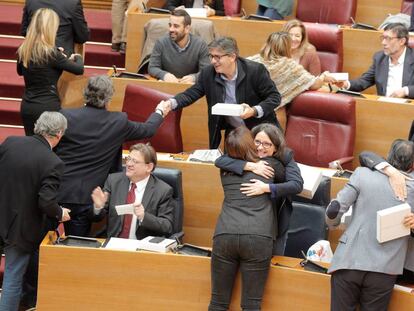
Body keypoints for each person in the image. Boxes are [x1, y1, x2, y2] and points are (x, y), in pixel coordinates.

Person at [55, 75, 170, 237]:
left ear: (85, 93)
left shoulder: (65, 116)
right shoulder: (118, 122)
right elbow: (148, 129)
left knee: (43, 244)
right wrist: (159, 112)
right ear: (109, 98)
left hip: (58, 191)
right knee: (76, 246)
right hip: (89, 197)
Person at [326, 139, 414, 311]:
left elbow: (335, 212)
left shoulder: (362, 174)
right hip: (385, 268)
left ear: (387, 157)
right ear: (412, 165)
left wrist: (332, 223)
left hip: (349, 260)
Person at [0, 112, 71, 311]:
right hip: (20, 229)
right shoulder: (53, 162)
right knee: (12, 279)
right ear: (58, 134)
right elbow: (46, 202)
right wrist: (60, 213)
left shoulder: (10, 142)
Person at [209, 126, 285, 310]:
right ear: (251, 145)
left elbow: (220, 160)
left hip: (225, 234)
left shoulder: (225, 169)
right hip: (258, 237)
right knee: (251, 305)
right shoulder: (271, 166)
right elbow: (288, 176)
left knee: (218, 303)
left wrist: (246, 164)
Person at [163, 36, 281, 149]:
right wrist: (171, 103)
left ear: (232, 57)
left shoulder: (255, 71)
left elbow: (275, 97)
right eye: (211, 56)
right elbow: (190, 94)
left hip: (262, 132)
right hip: (236, 135)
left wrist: (254, 110)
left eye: (217, 57)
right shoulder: (208, 73)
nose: (213, 61)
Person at [215, 123, 303, 255]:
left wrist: (266, 187)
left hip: (277, 211)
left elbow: (296, 185)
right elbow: (220, 161)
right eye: (257, 142)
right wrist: (250, 165)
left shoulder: (285, 156)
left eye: (267, 144)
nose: (260, 147)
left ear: (276, 147)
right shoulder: (248, 152)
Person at [17, 8, 84, 136]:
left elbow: (20, 71)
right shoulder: (52, 54)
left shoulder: (23, 50)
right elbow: (79, 69)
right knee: (48, 149)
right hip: (48, 107)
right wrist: (77, 57)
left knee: (32, 145)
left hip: (28, 106)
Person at [90, 144, 174, 239]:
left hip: (142, 247)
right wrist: (98, 207)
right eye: (128, 159)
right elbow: (96, 218)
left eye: (134, 161)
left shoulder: (163, 190)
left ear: (149, 167)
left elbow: (167, 226)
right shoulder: (113, 181)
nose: (129, 164)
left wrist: (144, 216)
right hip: (115, 244)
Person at [248, 31, 335, 108]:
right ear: (287, 48)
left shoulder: (252, 61)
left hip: (249, 106)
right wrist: (323, 76)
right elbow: (314, 84)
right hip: (272, 113)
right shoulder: (289, 66)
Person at [338, 23, 414, 98]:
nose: (383, 43)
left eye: (388, 38)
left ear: (402, 41)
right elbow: (365, 81)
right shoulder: (380, 58)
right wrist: (345, 84)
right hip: (384, 106)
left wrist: (405, 91)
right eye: (383, 38)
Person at [148, 9, 210, 83]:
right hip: (167, 86)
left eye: (176, 26)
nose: (171, 29)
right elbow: (152, 67)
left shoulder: (200, 45)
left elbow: (206, 71)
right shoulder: (161, 42)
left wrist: (194, 78)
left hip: (190, 88)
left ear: (187, 29)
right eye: (170, 25)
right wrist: (164, 75)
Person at [21, 0, 89, 56]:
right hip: (62, 58)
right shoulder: (73, 3)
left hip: (34, 54)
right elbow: (82, 36)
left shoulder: (31, 1)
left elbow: (25, 31)